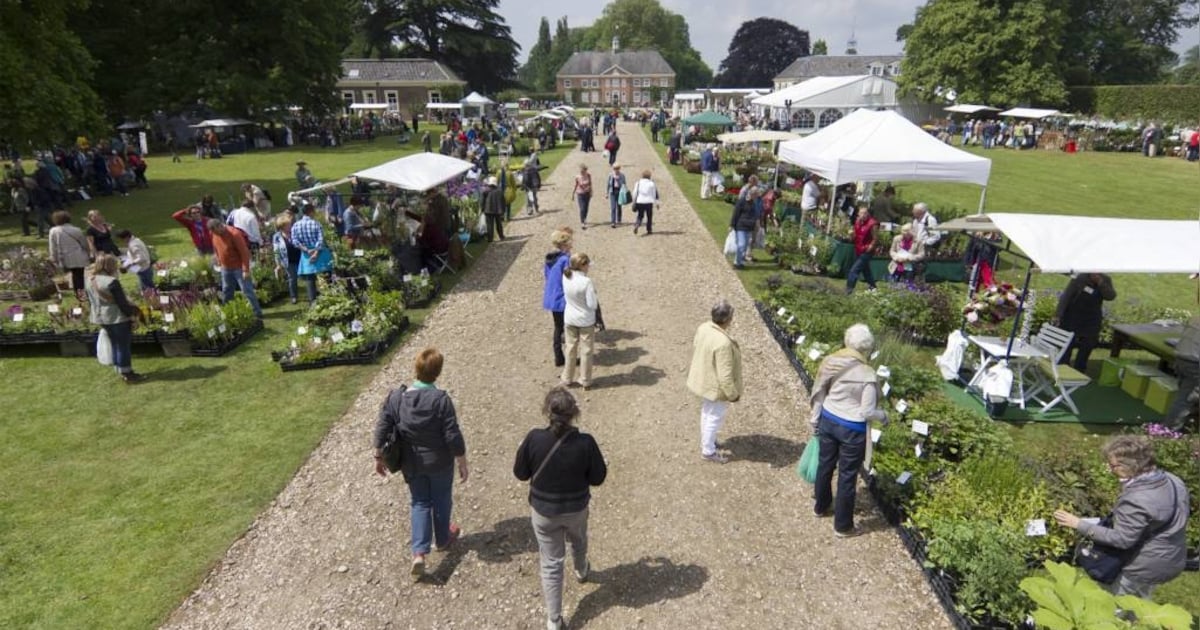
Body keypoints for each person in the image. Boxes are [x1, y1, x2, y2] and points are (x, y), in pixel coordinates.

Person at [513, 387, 607, 630]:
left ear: (547, 413)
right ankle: (581, 569)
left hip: (543, 512)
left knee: (551, 563)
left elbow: (520, 473)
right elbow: (598, 478)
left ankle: (554, 619)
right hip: (576, 508)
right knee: (579, 539)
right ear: (574, 413)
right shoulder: (586, 442)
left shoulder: (534, 438)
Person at [373, 347, 470, 583]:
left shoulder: (396, 398)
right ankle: (443, 538)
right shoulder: (441, 400)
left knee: (419, 502)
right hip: (439, 461)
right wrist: (462, 460)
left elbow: (382, 427)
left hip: (412, 462)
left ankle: (419, 552)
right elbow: (452, 434)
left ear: (416, 368)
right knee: (441, 498)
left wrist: (378, 455)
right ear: (438, 373)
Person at [1053, 435, 1190, 598]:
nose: (1110, 470)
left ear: (1131, 466)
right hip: (1171, 556)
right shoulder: (1173, 480)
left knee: (1113, 610)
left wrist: (1078, 524)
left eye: (1113, 465)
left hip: (1143, 566)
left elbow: (1122, 540)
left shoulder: (1136, 499)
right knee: (1139, 605)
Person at [810, 324, 887, 536]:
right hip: (852, 429)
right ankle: (842, 526)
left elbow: (820, 391)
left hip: (828, 418)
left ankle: (820, 506)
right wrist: (884, 416)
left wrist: (814, 419)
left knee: (825, 464)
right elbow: (868, 411)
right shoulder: (867, 373)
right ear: (867, 348)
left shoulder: (832, 361)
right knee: (847, 475)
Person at [686, 299, 743, 464]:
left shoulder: (703, 327)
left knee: (707, 412)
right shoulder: (723, 342)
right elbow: (725, 376)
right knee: (714, 417)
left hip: (704, 380)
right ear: (727, 320)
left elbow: (696, 345)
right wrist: (733, 395)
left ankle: (707, 441)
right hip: (715, 387)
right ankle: (708, 451)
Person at [86, 253, 146, 383]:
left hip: (100, 317)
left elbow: (89, 299)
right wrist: (132, 317)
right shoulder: (112, 282)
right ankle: (127, 373)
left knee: (115, 343)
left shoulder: (90, 280)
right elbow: (122, 303)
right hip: (117, 317)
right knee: (123, 346)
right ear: (110, 266)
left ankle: (120, 369)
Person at [1053, 273, 1117, 372]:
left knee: (1089, 343)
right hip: (1073, 315)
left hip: (1092, 317)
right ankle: (1063, 367)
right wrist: (1058, 314)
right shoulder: (1080, 278)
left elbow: (1110, 296)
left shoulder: (1105, 279)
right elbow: (1066, 296)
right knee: (1068, 342)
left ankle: (1080, 368)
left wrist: (1100, 283)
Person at [208, 220, 263, 318]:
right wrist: (219, 259)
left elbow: (244, 252)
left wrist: (246, 270)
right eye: (213, 232)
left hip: (239, 268)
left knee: (247, 290)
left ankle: (257, 313)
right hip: (225, 267)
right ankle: (228, 312)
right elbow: (216, 247)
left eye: (216, 231)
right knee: (227, 290)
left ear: (220, 226)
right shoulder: (214, 234)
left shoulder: (234, 234)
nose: (215, 234)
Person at [560, 253, 599, 389]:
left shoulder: (566, 276)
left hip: (570, 318)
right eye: (587, 264)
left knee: (570, 349)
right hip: (585, 321)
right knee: (586, 351)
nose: (589, 267)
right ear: (582, 265)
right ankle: (585, 379)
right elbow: (592, 305)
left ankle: (567, 377)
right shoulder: (586, 282)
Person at [1163, 313, 1198, 431]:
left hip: (1182, 360)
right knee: (1186, 399)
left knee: (1185, 397)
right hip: (1194, 363)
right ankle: (1169, 433)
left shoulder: (1196, 318)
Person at [543, 230, 573, 368]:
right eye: (569, 242)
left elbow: (547, 275)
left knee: (557, 327)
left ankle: (558, 357)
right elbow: (569, 277)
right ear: (563, 244)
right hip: (561, 298)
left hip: (551, 296)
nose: (571, 245)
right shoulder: (564, 259)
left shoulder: (550, 258)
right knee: (566, 328)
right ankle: (568, 357)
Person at [292, 204, 332, 303]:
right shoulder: (316, 223)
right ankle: (330, 297)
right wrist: (316, 253)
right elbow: (321, 240)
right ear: (311, 211)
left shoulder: (296, 225)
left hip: (306, 254)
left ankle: (312, 301)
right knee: (326, 275)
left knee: (310, 278)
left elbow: (295, 241)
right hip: (320, 252)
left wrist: (306, 250)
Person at [47, 211, 91, 300]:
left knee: (74, 275)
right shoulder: (76, 229)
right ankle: (81, 292)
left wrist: (53, 257)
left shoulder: (53, 231)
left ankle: (78, 293)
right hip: (78, 255)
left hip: (64, 257)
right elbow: (84, 243)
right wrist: (88, 253)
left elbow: (53, 246)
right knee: (79, 274)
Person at [845, 211, 879, 294]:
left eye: (865, 213)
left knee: (854, 270)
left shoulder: (872, 224)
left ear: (868, 214)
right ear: (858, 215)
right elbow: (854, 238)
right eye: (861, 214)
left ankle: (849, 289)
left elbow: (875, 238)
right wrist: (851, 235)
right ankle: (873, 287)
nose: (863, 215)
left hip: (867, 251)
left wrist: (871, 247)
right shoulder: (857, 222)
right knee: (866, 270)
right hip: (858, 249)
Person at [271, 215, 302, 304]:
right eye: (288, 225)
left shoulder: (294, 232)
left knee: (305, 276)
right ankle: (294, 296)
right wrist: (278, 263)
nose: (290, 226)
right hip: (287, 260)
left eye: (290, 224)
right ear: (282, 226)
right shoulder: (276, 236)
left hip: (300, 258)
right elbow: (276, 251)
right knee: (292, 278)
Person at [729, 186, 760, 269]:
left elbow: (756, 215)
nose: (757, 197)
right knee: (741, 244)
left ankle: (740, 261)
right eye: (756, 195)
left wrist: (757, 224)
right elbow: (735, 213)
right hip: (741, 226)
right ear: (752, 194)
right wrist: (732, 225)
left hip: (749, 228)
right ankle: (736, 263)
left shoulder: (754, 203)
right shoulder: (742, 201)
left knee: (745, 245)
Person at [630, 169, 659, 235]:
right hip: (649, 202)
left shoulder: (638, 183)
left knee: (640, 215)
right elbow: (654, 194)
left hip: (640, 201)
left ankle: (637, 224)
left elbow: (635, 193)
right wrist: (656, 203)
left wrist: (634, 201)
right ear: (649, 176)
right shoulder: (652, 184)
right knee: (649, 216)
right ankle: (649, 229)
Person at [482, 176, 505, 242]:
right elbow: (503, 201)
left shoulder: (485, 191)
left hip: (488, 210)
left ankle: (490, 238)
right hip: (498, 210)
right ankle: (501, 236)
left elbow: (483, 201)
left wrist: (482, 208)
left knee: (489, 225)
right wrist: (503, 210)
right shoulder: (499, 191)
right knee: (499, 224)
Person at [604, 163, 627, 228]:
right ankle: (613, 222)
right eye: (614, 168)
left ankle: (619, 219)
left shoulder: (622, 175)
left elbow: (624, 184)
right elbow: (608, 184)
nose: (616, 170)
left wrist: (624, 192)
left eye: (617, 168)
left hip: (619, 192)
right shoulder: (610, 175)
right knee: (613, 207)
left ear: (619, 169)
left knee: (619, 207)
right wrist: (607, 193)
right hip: (612, 192)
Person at [572, 164, 593, 230]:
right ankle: (582, 222)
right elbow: (575, 185)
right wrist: (572, 194)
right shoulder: (577, 177)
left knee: (586, 207)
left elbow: (590, 184)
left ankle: (585, 218)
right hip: (580, 194)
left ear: (585, 170)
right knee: (582, 208)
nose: (582, 172)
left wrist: (591, 191)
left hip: (587, 193)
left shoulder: (588, 175)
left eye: (583, 171)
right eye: (581, 171)